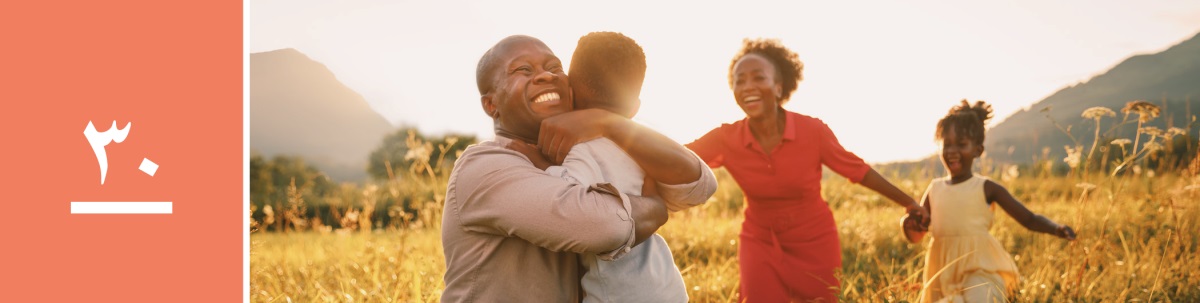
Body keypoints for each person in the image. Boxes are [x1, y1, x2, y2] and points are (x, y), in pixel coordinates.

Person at [441, 35, 707, 302]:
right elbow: (605, 227)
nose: (546, 75)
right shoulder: (484, 166)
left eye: (554, 67)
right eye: (524, 69)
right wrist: (655, 208)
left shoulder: (584, 152)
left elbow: (698, 185)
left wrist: (608, 123)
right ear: (491, 104)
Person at [685, 38, 930, 302]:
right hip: (760, 242)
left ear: (779, 87)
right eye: (739, 81)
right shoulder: (726, 138)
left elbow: (858, 170)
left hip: (815, 242)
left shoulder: (812, 131)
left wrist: (908, 202)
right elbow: (677, 157)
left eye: (758, 77)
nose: (747, 86)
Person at [904, 100, 1076, 302]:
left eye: (961, 144)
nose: (952, 151)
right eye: (947, 144)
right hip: (942, 275)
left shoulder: (987, 187)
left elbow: (1029, 219)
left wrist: (1055, 228)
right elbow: (916, 235)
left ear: (978, 150)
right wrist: (907, 225)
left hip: (980, 269)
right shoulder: (934, 189)